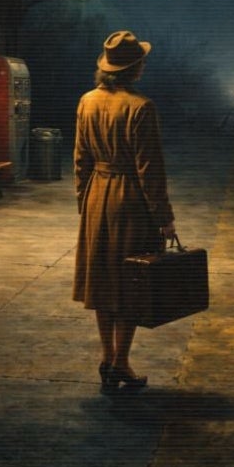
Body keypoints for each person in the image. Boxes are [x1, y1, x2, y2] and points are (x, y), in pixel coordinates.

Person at [72, 29, 178, 392]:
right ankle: (121, 361)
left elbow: (81, 158)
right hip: (131, 201)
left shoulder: (87, 101)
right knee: (132, 282)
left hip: (97, 196)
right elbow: (150, 169)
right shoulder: (140, 107)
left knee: (102, 281)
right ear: (134, 68)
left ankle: (106, 357)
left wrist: (83, 200)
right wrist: (164, 218)